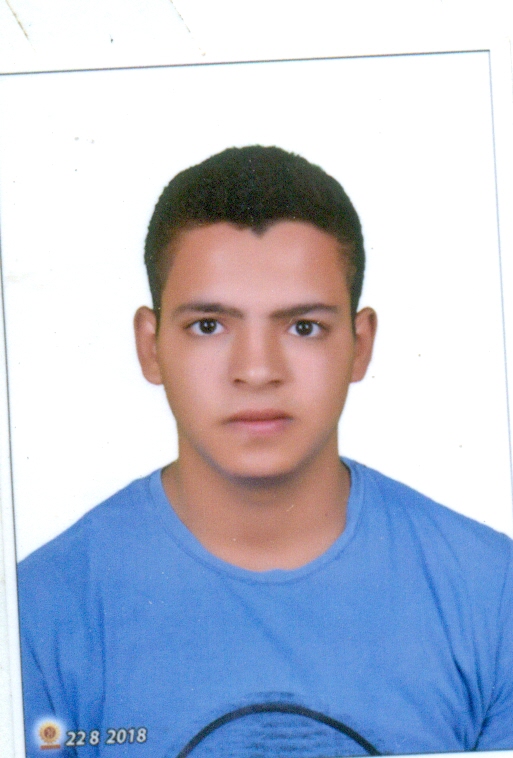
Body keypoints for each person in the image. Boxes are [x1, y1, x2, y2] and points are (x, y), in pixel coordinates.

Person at [17, 146, 513, 757]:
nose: (256, 370)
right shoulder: (36, 614)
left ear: (360, 345)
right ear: (150, 346)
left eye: (303, 327)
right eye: (209, 325)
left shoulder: (495, 594)